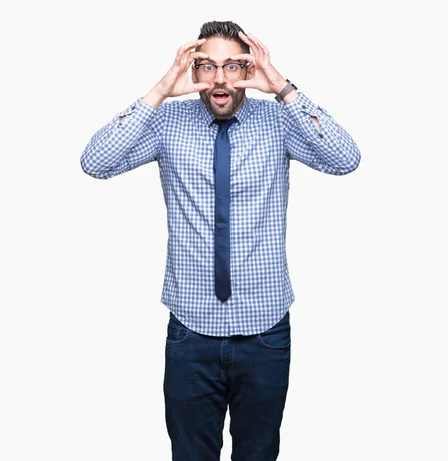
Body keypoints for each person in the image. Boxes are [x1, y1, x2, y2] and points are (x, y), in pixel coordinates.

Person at [80, 20, 361, 461]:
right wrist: (159, 91)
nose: (220, 79)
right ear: (192, 71)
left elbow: (345, 160)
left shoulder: (279, 121)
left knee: (258, 454)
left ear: (250, 69)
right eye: (207, 66)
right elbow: (96, 163)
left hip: (265, 332)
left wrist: (283, 88)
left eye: (234, 66)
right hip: (191, 332)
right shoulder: (167, 122)